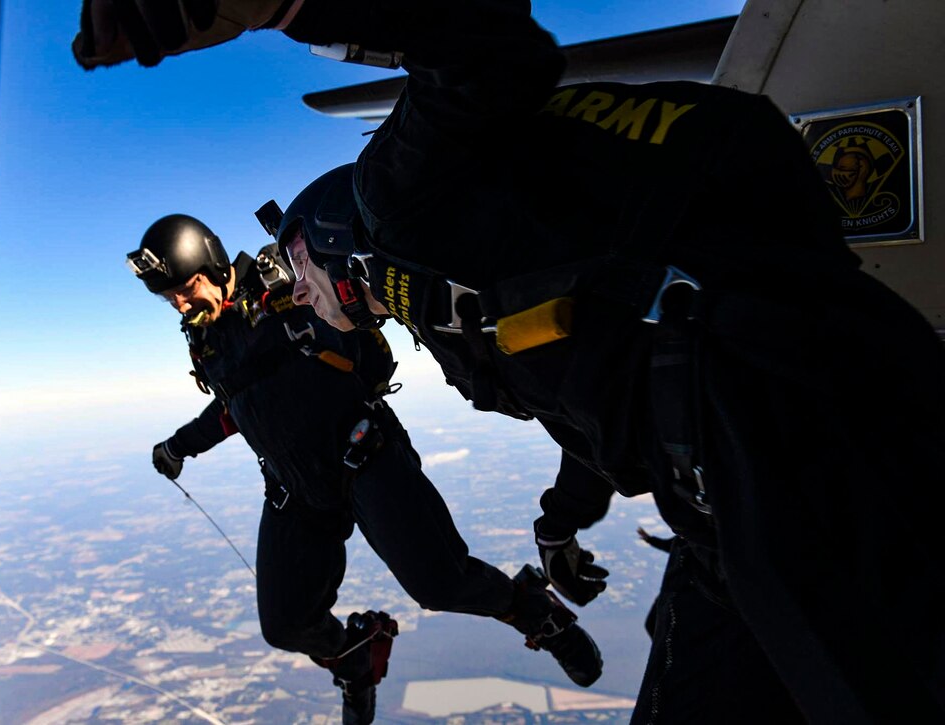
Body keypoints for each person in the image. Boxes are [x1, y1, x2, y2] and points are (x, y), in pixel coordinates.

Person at [76, 2, 945, 723]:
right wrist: (563, 518)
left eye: (295, 267)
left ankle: (531, 613)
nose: (292, 290)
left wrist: (282, 4)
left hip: (786, 421)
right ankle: (363, 652)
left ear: (331, 241)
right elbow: (588, 400)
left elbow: (488, 47)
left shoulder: (392, 202)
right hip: (715, 486)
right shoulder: (463, 310)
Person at [126, 212, 606, 724]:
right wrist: (180, 446)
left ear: (214, 265)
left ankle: (537, 613)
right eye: (168, 296)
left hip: (365, 455)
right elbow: (236, 407)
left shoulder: (285, 287)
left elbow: (367, 342)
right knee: (286, 625)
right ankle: (357, 659)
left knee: (440, 584)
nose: (180, 302)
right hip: (296, 486)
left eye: (185, 286)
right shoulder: (209, 339)